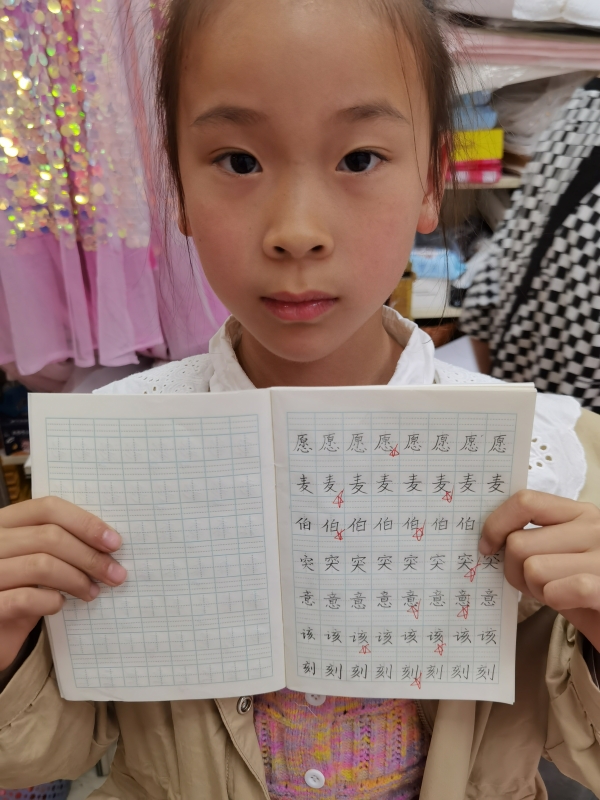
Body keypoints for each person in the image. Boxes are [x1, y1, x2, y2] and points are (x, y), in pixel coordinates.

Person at [1, 1, 600, 798]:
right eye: (238, 161)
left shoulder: (549, 456)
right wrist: (9, 649)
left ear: (431, 179)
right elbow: (47, 750)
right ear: (177, 187)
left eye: (359, 157)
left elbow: (582, 749)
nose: (296, 230)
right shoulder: (116, 451)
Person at [460, 79, 600, 412]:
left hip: (526, 393)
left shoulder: (583, 107)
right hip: (563, 411)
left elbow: (491, 280)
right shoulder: (583, 108)